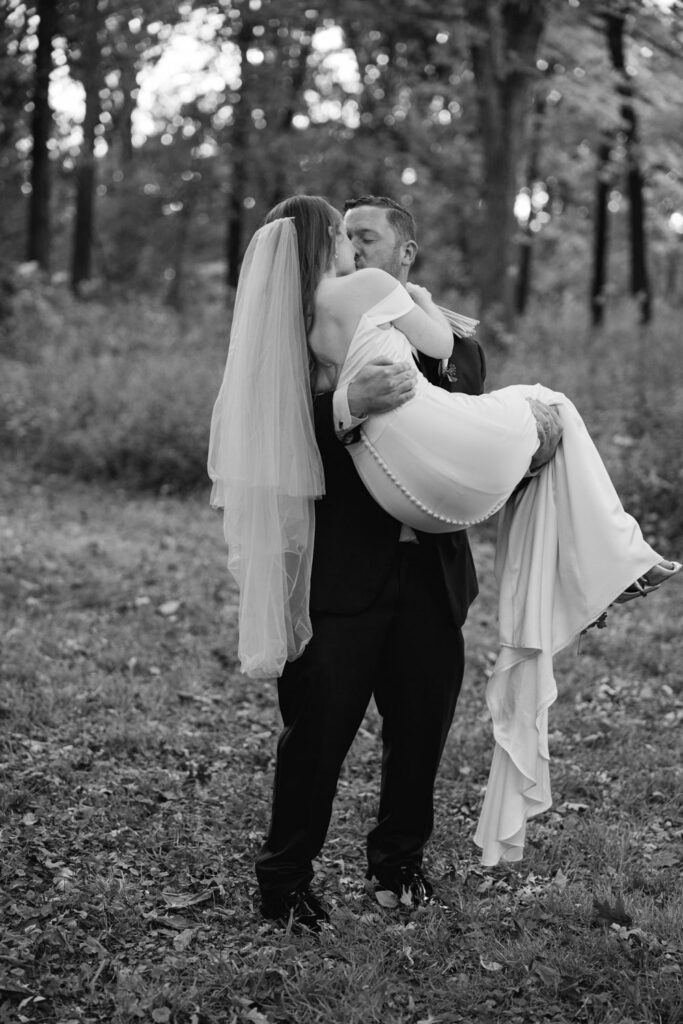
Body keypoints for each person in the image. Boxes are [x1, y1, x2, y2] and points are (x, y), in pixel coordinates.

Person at [208, 195, 680, 925]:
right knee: (317, 734)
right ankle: (284, 880)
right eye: (345, 235)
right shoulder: (294, 336)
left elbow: (459, 438)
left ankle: (398, 865)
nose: (355, 248)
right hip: (341, 574)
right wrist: (343, 409)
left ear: (405, 253)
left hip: (430, 572)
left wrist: (525, 455)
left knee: (419, 731)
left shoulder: (454, 344)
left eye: (368, 237)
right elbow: (270, 437)